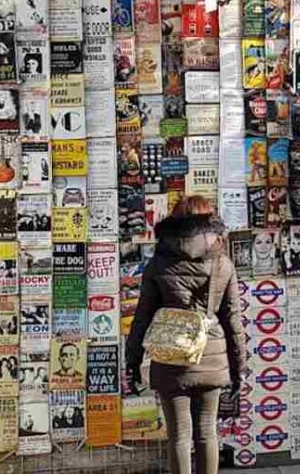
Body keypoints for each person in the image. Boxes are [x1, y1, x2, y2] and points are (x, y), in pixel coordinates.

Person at [125, 196, 246, 474]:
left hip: (171, 357)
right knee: (207, 432)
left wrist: (132, 362)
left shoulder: (159, 263)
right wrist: (239, 368)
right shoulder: (222, 263)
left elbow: (142, 317)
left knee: (179, 436)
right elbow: (233, 321)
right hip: (212, 356)